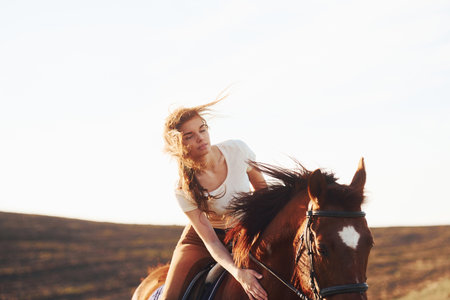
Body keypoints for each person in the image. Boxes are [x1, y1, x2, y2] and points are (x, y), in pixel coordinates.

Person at [160, 97, 268, 300]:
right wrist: (239, 274)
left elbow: (263, 191)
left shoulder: (238, 150)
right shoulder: (183, 187)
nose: (201, 138)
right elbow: (210, 241)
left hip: (244, 230)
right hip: (205, 238)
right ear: (180, 146)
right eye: (189, 136)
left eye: (202, 129)